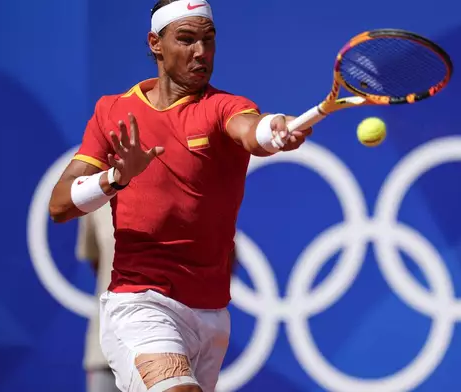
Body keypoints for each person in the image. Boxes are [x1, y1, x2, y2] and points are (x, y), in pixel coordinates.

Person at [48, 0, 313, 390]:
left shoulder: (225, 107)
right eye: (187, 40)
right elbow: (58, 205)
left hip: (210, 312)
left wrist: (273, 129)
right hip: (140, 301)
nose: (201, 53)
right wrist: (115, 178)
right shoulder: (112, 112)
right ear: (156, 43)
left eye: (208, 40)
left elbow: (249, 129)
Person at [76, 203, 121, 392]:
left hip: (171, 347)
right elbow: (98, 262)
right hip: (108, 348)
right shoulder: (97, 193)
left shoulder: (183, 184)